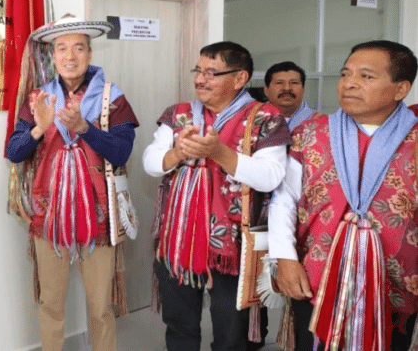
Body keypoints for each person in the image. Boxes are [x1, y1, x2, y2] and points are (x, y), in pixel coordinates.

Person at [269, 40, 418, 351]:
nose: (350, 83)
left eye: (366, 76)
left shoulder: (414, 139)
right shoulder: (311, 134)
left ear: (401, 88)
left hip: (396, 284)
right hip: (316, 275)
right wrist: (284, 256)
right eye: (345, 74)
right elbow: (284, 200)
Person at [143, 41, 291, 351]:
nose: (200, 79)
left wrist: (218, 152)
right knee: (179, 325)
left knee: (231, 332)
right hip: (179, 240)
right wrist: (177, 152)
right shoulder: (179, 113)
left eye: (212, 72)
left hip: (234, 246)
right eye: (198, 70)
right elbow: (151, 162)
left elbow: (270, 177)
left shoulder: (265, 117)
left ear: (239, 78)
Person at [6, 15, 139, 351]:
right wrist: (38, 128)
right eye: (61, 48)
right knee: (51, 303)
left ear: (90, 55)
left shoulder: (112, 97)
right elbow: (14, 152)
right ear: (52, 56)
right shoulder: (38, 98)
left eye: (78, 48)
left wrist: (84, 128)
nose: (70, 56)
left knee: (100, 306)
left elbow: (121, 153)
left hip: (99, 215)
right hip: (49, 217)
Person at [263, 61, 316, 131]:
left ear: (303, 89)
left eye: (294, 83)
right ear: (266, 90)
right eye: (279, 83)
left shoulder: (320, 121)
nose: (287, 88)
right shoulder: (251, 121)